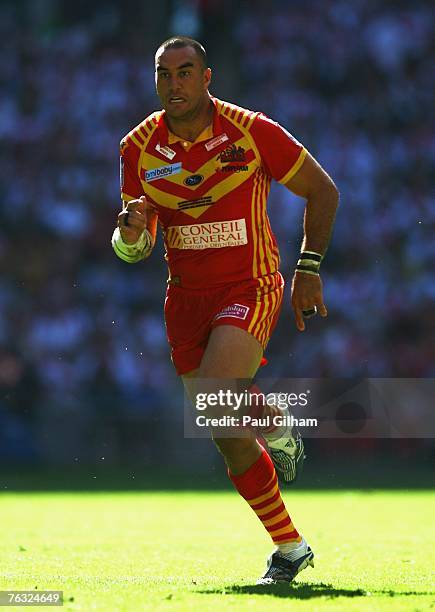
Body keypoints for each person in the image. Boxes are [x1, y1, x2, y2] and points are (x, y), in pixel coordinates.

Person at [111, 36, 339, 584]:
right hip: (184, 298)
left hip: (250, 285)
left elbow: (323, 190)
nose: (174, 83)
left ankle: (280, 423)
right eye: (164, 73)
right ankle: (290, 547)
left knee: (216, 389)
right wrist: (128, 236)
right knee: (222, 425)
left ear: (208, 76)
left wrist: (308, 267)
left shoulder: (251, 131)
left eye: (185, 72)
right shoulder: (136, 147)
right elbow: (136, 245)